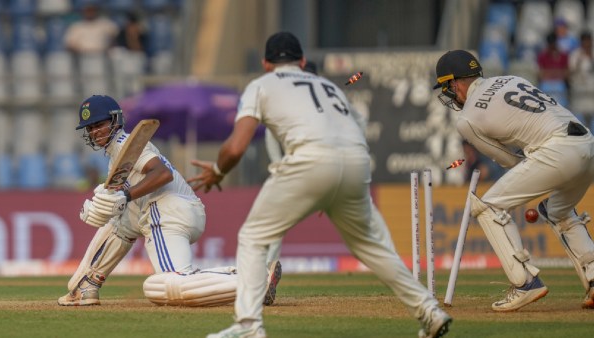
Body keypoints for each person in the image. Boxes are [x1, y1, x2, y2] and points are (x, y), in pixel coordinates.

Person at [189, 32, 452, 338]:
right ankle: (429, 311)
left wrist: (218, 171)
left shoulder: (261, 85)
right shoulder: (328, 86)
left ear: (265, 63)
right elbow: (356, 128)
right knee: (373, 247)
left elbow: (235, 148)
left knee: (252, 237)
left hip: (310, 162)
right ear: (302, 61)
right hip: (356, 163)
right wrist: (332, 188)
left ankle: (248, 327)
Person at [57, 94, 279, 308]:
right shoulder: (116, 151)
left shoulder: (125, 143)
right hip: (172, 209)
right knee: (119, 221)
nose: (95, 132)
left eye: (99, 124)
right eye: (91, 128)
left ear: (115, 120)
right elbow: (123, 205)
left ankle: (254, 279)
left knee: (169, 285)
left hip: (165, 210)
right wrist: (108, 203)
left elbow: (163, 174)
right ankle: (87, 285)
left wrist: (125, 196)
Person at [432, 49, 594, 311]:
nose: (449, 94)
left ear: (454, 83)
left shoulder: (467, 119)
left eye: (447, 87)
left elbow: (509, 160)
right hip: (587, 144)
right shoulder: (511, 79)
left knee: (487, 206)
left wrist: (537, 171)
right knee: (557, 210)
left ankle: (525, 282)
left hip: (557, 151)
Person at [569, 30, 594, 117]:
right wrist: (579, 61)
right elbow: (571, 72)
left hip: (592, 89)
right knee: (579, 116)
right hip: (580, 90)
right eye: (584, 40)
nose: (587, 42)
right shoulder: (575, 54)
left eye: (588, 40)